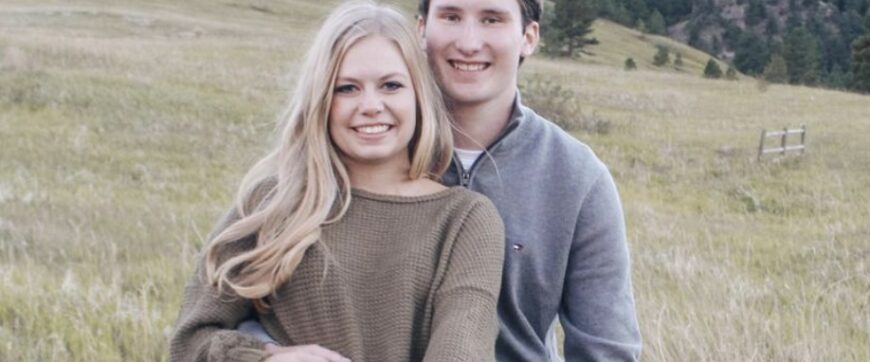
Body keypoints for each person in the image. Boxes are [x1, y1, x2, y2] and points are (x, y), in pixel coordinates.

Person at [169, 2, 505, 361]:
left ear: (419, 95)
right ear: (321, 100)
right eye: (347, 88)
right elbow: (190, 340)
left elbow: (462, 350)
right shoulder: (273, 202)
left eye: (391, 85)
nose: (371, 105)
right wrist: (267, 358)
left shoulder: (465, 220)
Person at [415, 0, 643, 360]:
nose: (469, 42)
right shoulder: (367, 151)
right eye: (451, 16)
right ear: (422, 29)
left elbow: (606, 350)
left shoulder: (578, 178)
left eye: (492, 19)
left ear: (528, 36)